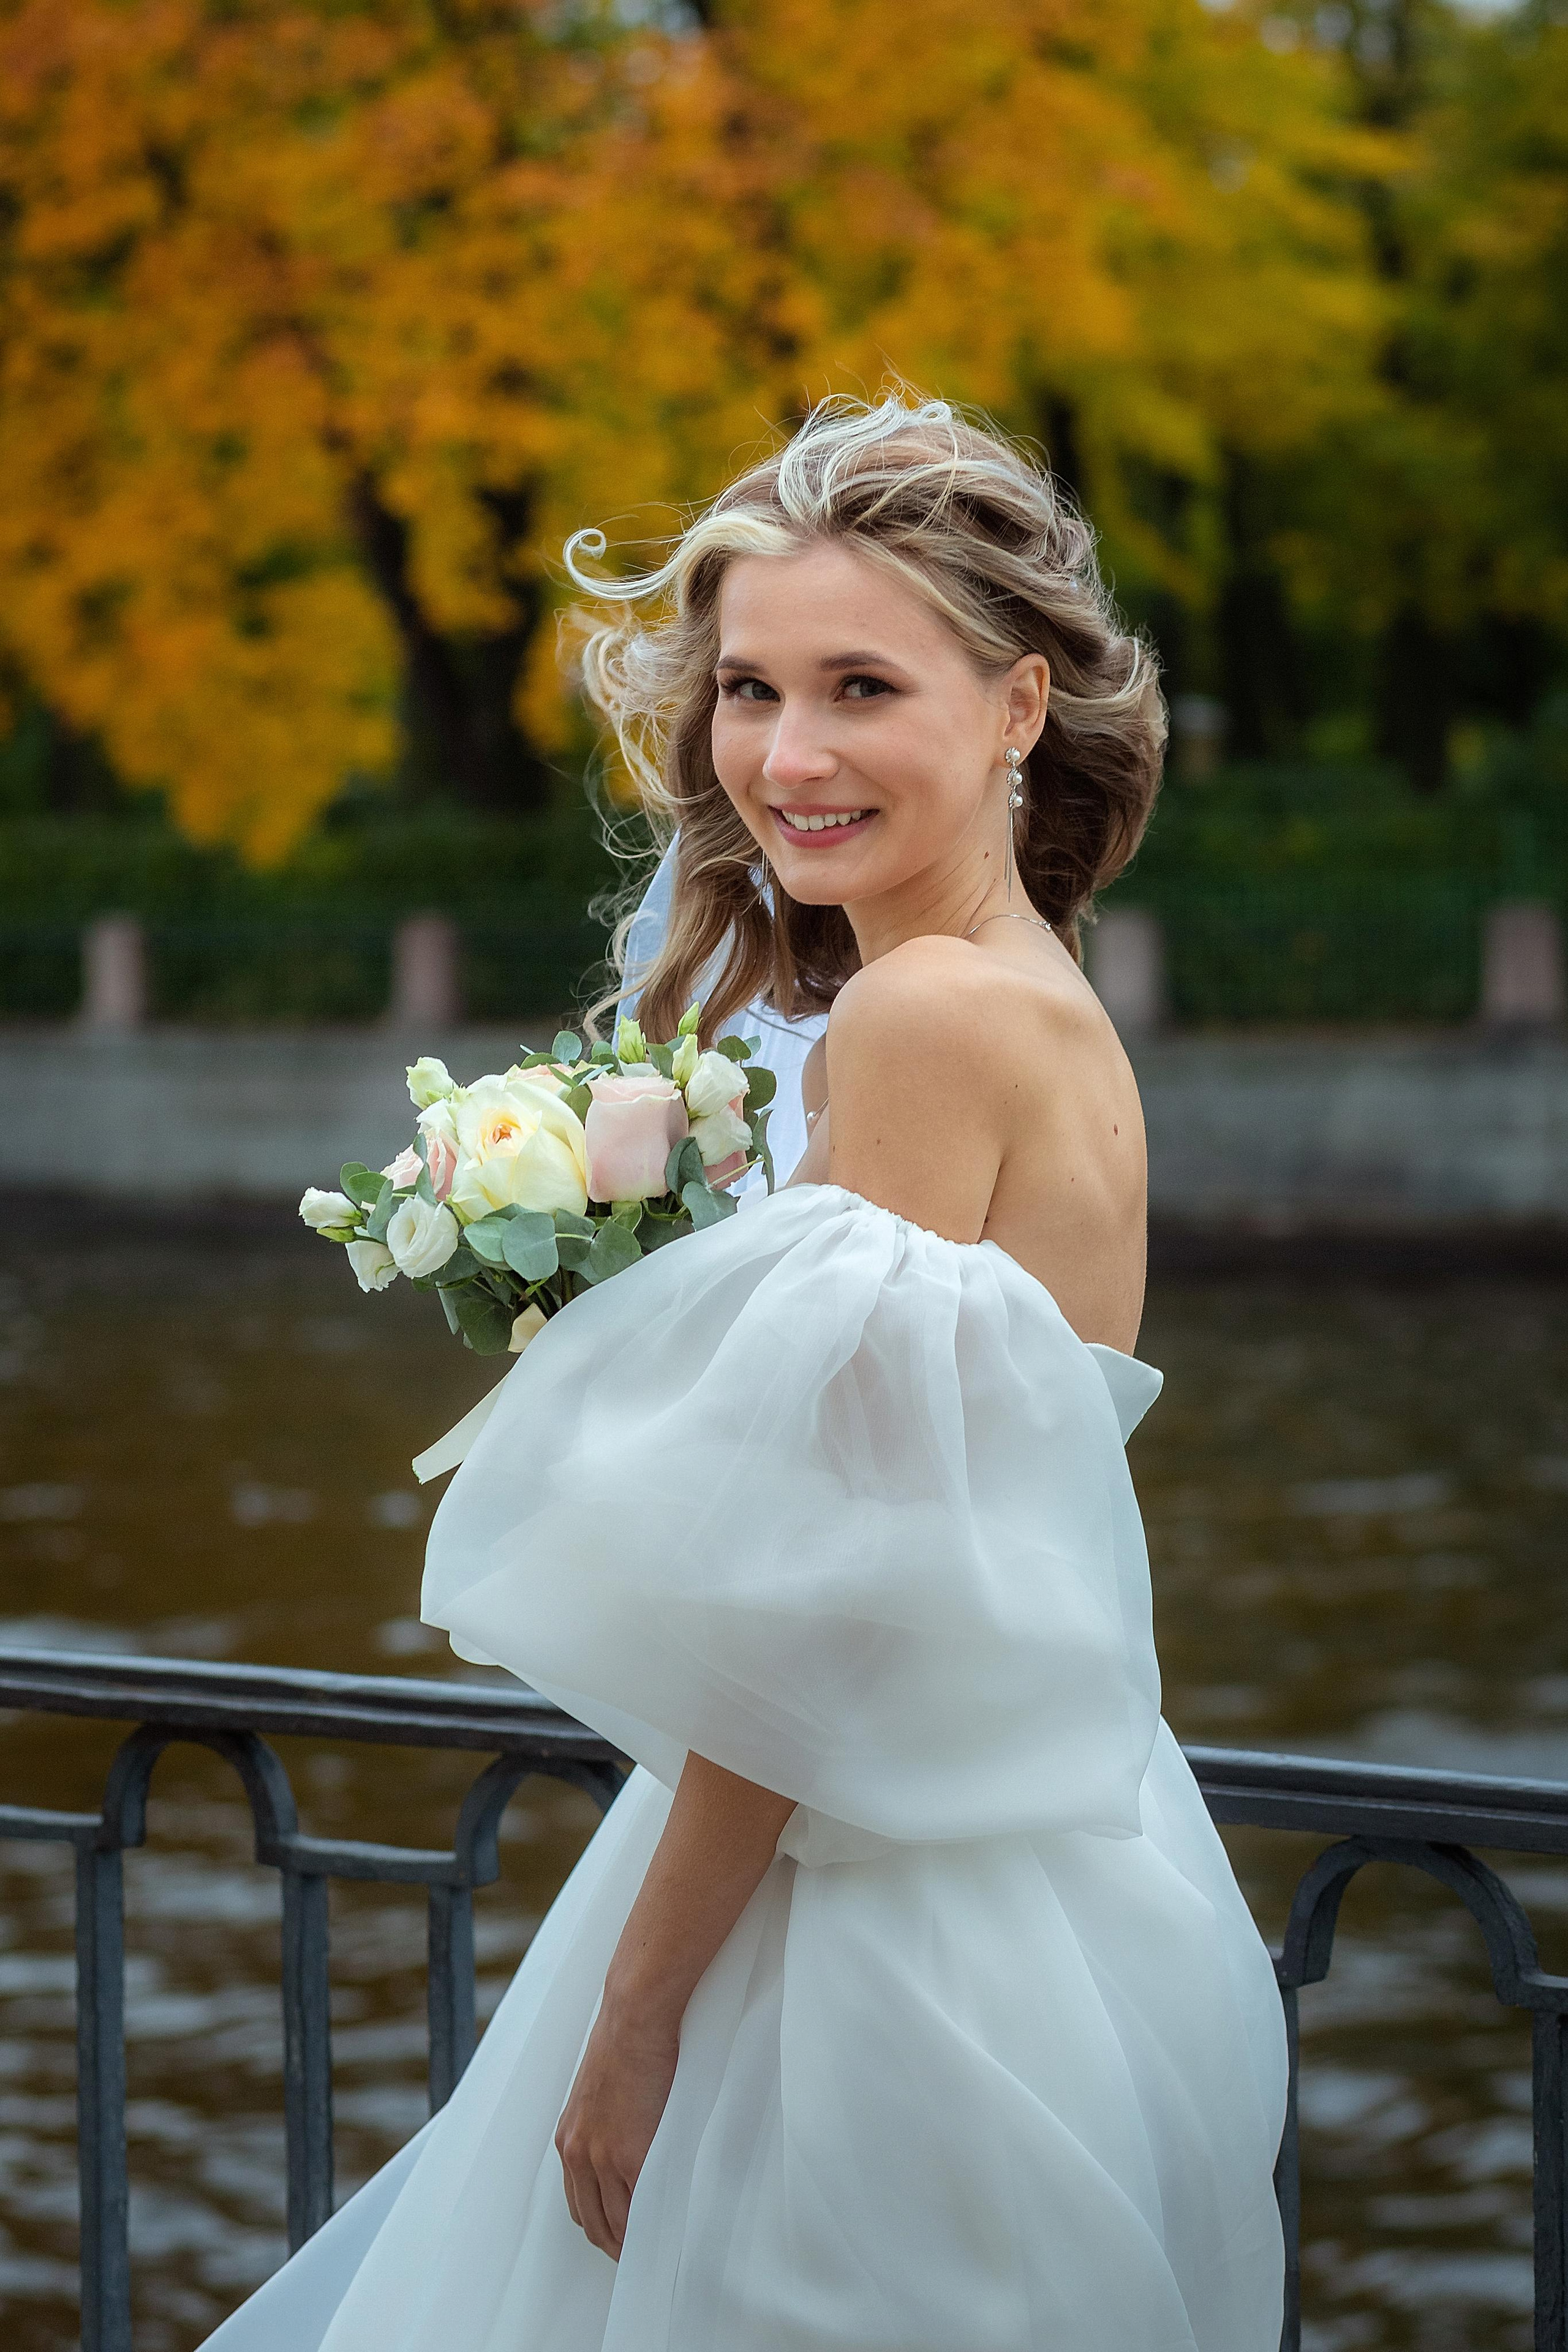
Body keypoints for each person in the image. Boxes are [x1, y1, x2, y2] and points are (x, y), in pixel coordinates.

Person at [203, 393, 1287, 2352]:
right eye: (752, 688)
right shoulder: (1044, 1002)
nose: (787, 756)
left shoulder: (923, 1021)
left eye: (863, 685)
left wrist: (634, 2012)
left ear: (1021, 707)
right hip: (1060, 1859)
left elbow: (823, 1600)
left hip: (867, 1921)